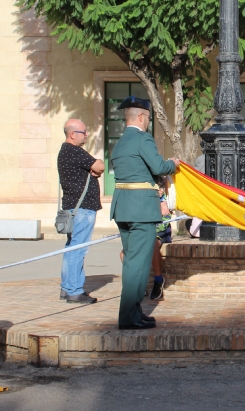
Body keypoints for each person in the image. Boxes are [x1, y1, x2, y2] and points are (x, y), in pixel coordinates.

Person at [110, 96, 179, 330]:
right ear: (141, 117)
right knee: (138, 266)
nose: (148, 122)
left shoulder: (120, 143)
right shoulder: (142, 139)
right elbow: (159, 167)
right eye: (148, 118)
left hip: (123, 208)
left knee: (131, 262)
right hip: (141, 210)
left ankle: (134, 312)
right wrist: (173, 163)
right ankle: (129, 316)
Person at [57, 118, 104, 304]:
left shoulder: (66, 151)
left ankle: (66, 288)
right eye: (83, 132)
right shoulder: (74, 151)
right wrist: (95, 169)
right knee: (78, 250)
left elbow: (95, 168)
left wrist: (93, 170)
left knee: (71, 248)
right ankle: (74, 290)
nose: (86, 135)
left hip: (73, 208)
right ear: (72, 134)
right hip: (82, 209)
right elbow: (100, 165)